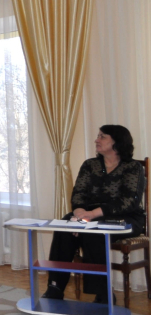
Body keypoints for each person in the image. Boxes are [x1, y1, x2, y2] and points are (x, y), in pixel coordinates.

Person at [43, 125, 147, 303]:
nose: (96, 140)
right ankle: (55, 286)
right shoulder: (90, 165)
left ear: (117, 141)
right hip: (90, 214)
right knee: (65, 226)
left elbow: (128, 202)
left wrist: (91, 215)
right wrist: (80, 214)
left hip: (126, 218)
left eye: (102, 137)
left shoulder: (133, 167)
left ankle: (103, 295)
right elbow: (78, 194)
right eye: (98, 136)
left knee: (94, 230)